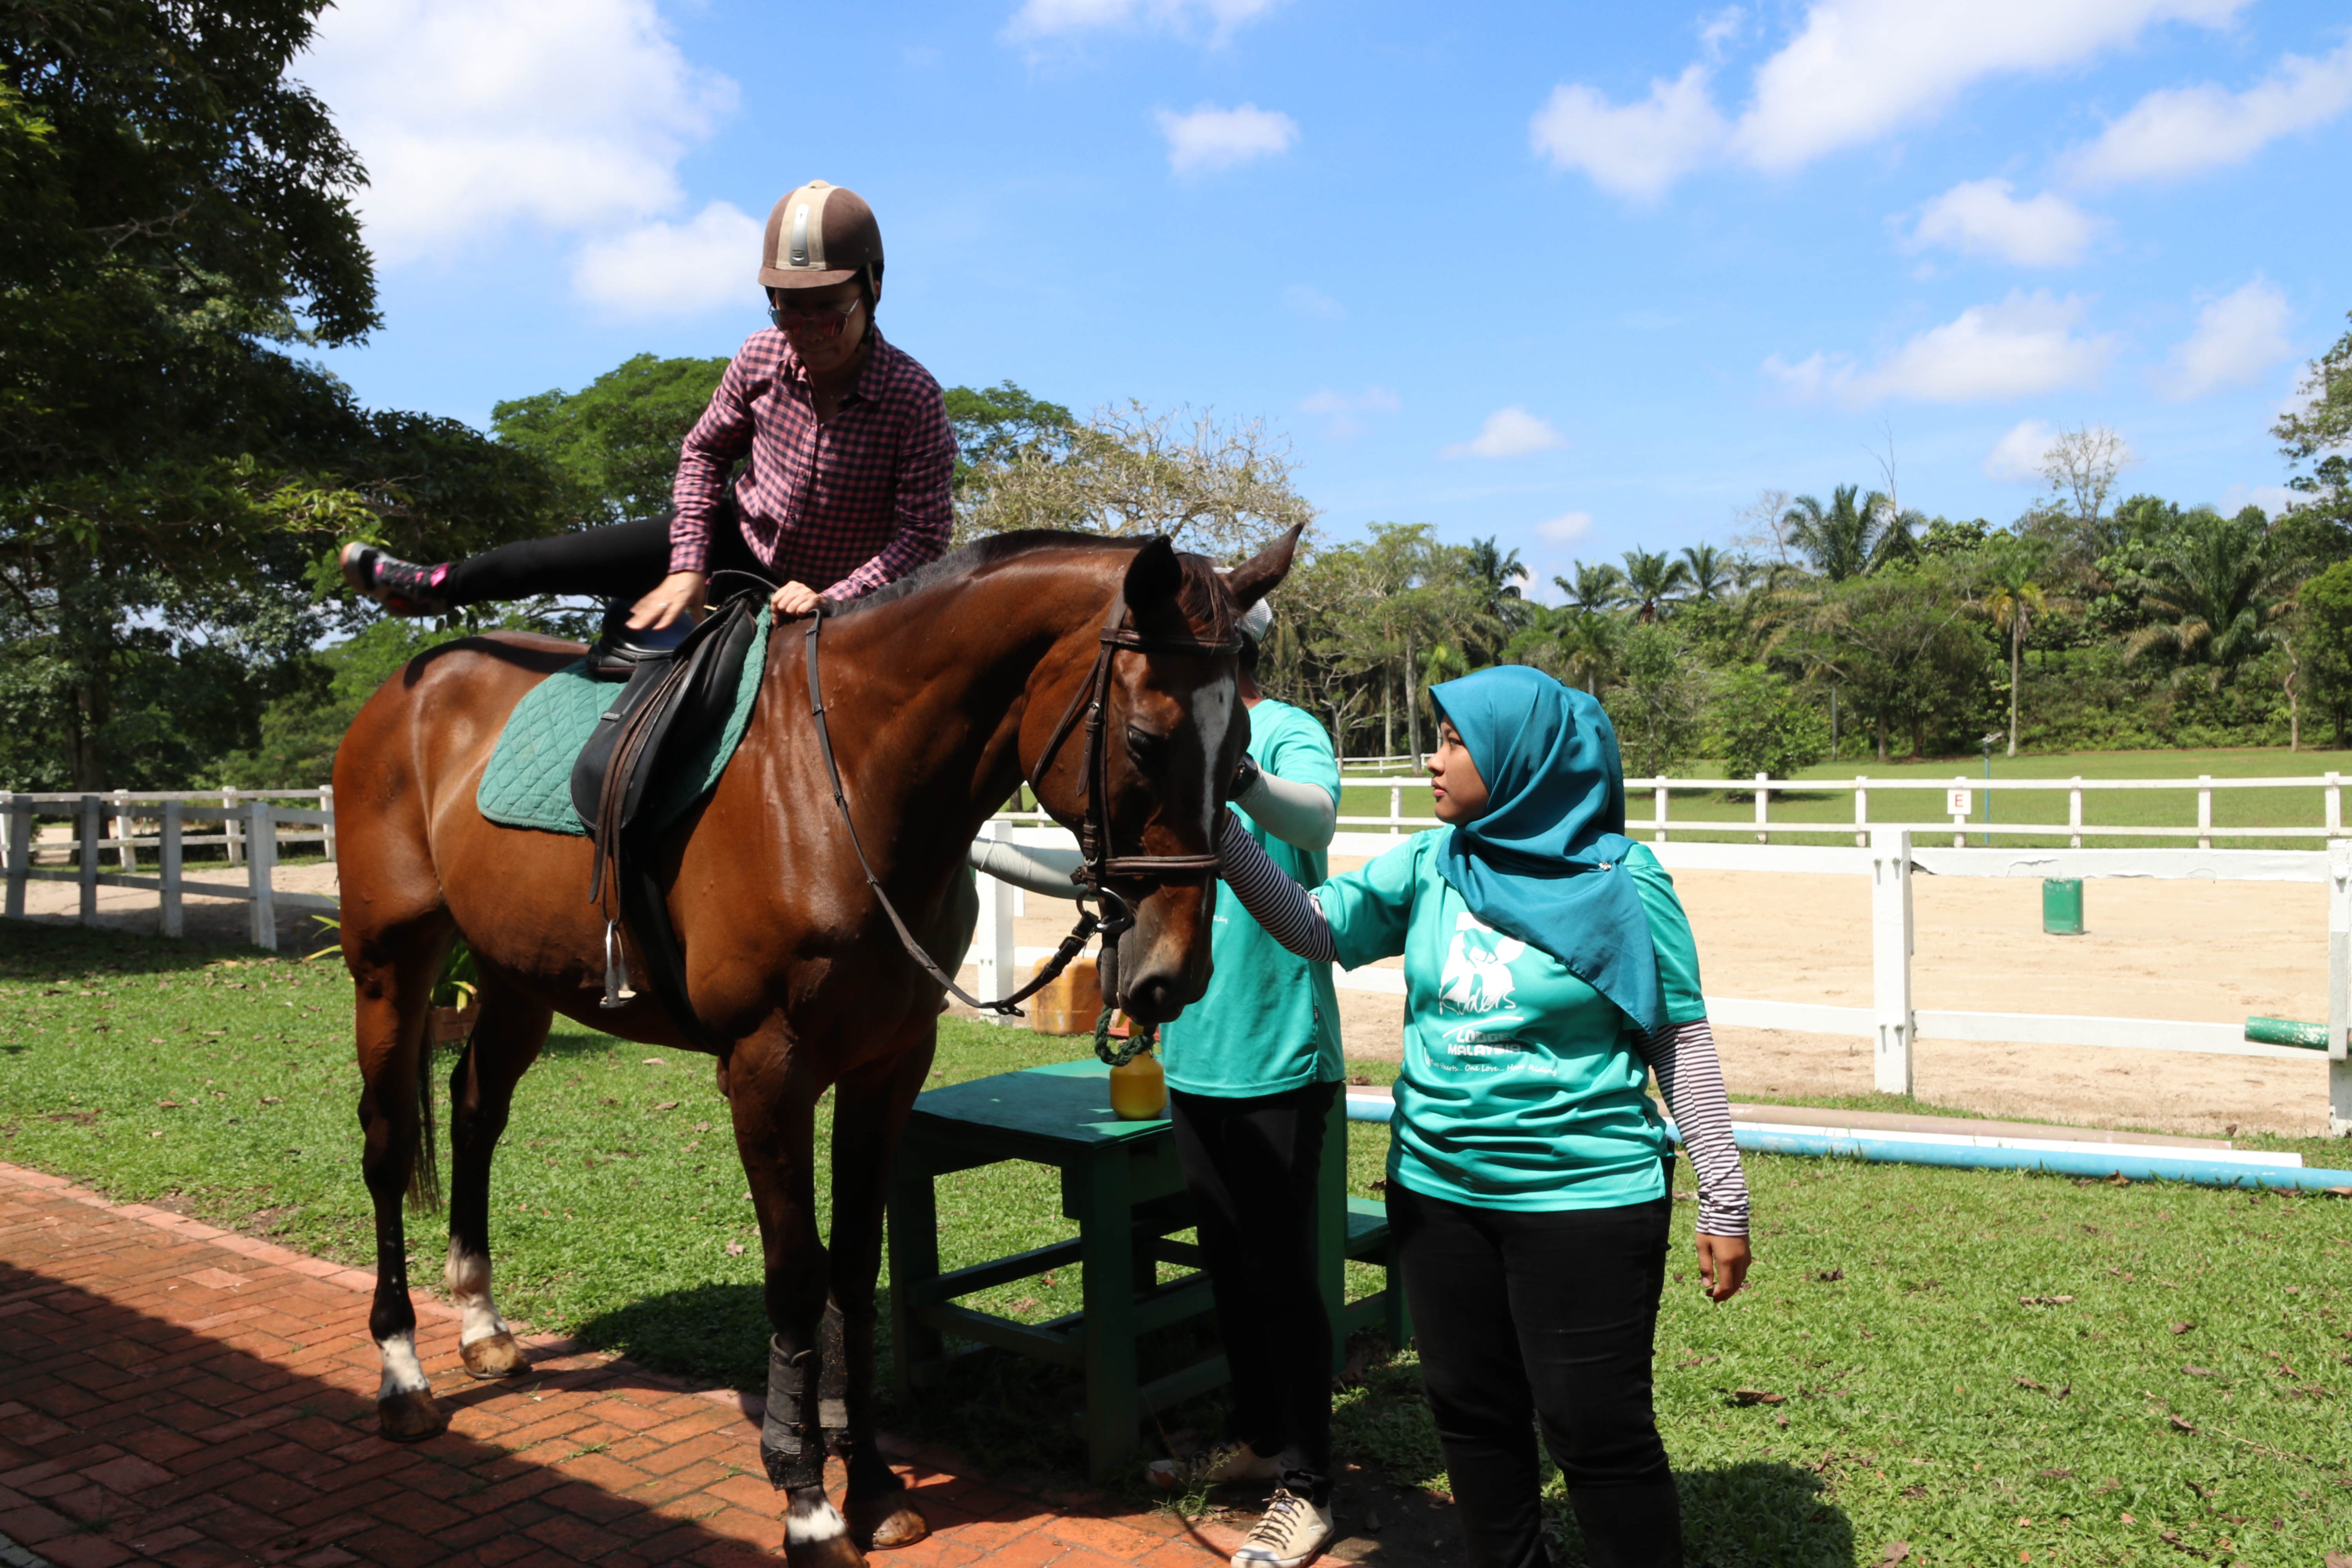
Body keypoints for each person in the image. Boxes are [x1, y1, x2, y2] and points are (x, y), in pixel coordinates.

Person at [1211, 665, 1752, 1568]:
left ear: (1524, 758)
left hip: (1584, 1200)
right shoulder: (1431, 862)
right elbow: (1312, 925)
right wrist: (1223, 821)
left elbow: (1677, 1039)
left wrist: (1725, 1196)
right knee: (1470, 1413)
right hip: (1437, 1195)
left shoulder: (1623, 879)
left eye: (1457, 741)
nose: (1433, 757)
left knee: (1594, 1430)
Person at [967, 593, 1347, 1568]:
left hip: (1278, 1053)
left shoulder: (1291, 732)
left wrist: (1235, 769)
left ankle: (1310, 1483)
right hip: (1199, 1053)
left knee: (1280, 1271)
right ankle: (1261, 1439)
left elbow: (1316, 816)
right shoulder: (1175, 744)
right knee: (1226, 1261)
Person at [338, 180, 955, 627]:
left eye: (830, 309)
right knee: (554, 558)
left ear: (872, 288)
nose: (810, 328)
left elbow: (923, 536)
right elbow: (703, 453)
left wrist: (836, 596)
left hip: (837, 592)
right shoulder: (760, 357)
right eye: (788, 310)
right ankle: (437, 586)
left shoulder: (913, 397)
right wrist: (688, 564)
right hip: (733, 543)